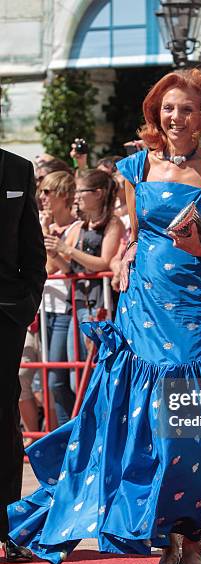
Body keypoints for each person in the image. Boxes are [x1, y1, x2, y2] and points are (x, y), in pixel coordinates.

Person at [8, 68, 201, 564]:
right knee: (141, 424)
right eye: (167, 108)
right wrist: (125, 254)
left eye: (186, 108)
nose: (175, 117)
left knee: (187, 429)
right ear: (157, 114)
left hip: (195, 308)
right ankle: (163, 544)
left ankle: (192, 540)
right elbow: (133, 231)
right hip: (142, 306)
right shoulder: (133, 167)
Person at [0, 146, 47, 561]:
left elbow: (33, 247)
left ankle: (8, 526)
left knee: (2, 416)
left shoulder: (16, 168)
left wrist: (25, 302)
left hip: (4, 316)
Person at [43, 170, 124, 393]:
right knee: (75, 378)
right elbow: (67, 268)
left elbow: (104, 262)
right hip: (78, 305)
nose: (75, 196)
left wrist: (66, 249)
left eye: (81, 191)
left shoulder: (113, 223)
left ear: (98, 194)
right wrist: (55, 251)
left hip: (100, 306)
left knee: (95, 374)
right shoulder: (80, 227)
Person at [39, 171, 81, 426]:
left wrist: (44, 234)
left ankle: (72, 436)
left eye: (47, 191)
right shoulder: (49, 229)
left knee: (63, 379)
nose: (41, 197)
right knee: (51, 381)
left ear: (63, 195)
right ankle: (66, 437)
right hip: (46, 308)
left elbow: (51, 268)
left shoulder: (76, 228)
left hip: (68, 309)